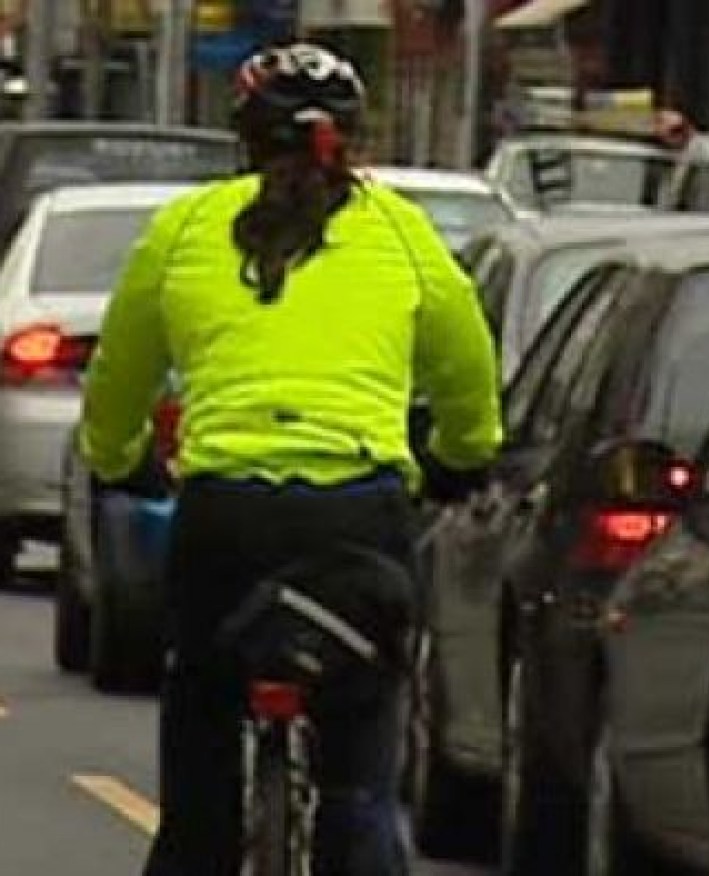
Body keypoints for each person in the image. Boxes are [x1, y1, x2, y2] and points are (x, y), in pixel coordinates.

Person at [78, 42, 502, 875]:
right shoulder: (402, 232)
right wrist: (460, 456)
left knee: (201, 719)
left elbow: (118, 379)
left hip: (224, 521)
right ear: (348, 139)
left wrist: (119, 459)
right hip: (359, 519)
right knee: (363, 761)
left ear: (242, 139)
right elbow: (467, 371)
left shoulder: (185, 228)